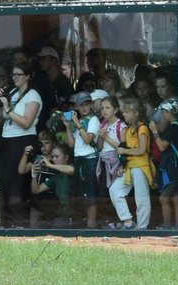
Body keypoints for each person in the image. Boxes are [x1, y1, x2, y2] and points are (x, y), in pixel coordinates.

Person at [0, 61, 42, 227]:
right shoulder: (12, 91)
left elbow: (27, 122)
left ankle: (20, 221)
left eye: (19, 75)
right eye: (13, 75)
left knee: (17, 181)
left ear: (27, 76)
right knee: (5, 179)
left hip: (23, 140)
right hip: (7, 139)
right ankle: (8, 219)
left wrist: (8, 109)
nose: (15, 78)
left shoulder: (33, 95)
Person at [107, 97, 155, 230]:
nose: (124, 114)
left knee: (141, 198)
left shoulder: (142, 128)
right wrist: (123, 166)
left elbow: (142, 149)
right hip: (129, 166)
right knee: (115, 190)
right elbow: (126, 151)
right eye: (124, 112)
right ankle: (128, 222)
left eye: (128, 112)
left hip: (140, 166)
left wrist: (123, 150)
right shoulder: (128, 129)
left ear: (136, 113)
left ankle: (142, 228)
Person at [64, 91, 101, 228]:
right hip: (79, 158)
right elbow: (71, 144)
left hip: (89, 159)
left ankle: (91, 225)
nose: (84, 108)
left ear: (91, 104)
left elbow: (88, 139)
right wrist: (68, 126)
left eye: (87, 104)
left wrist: (77, 123)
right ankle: (86, 222)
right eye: (81, 105)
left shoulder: (93, 120)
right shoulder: (79, 121)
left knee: (90, 193)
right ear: (76, 107)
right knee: (81, 193)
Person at [151, 98, 178, 230]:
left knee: (164, 198)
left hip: (172, 167)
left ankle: (167, 225)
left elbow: (162, 146)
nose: (162, 114)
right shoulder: (176, 126)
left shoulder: (174, 127)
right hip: (174, 166)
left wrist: (154, 131)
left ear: (169, 112)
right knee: (175, 197)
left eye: (163, 111)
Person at [30, 143, 76, 228]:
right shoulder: (57, 177)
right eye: (52, 157)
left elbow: (71, 170)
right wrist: (34, 176)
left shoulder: (73, 167)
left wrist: (50, 165)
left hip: (77, 215)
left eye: (57, 156)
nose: (54, 159)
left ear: (66, 157)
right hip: (63, 216)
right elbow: (36, 190)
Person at [96, 95, 126, 227]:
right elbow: (99, 146)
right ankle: (109, 220)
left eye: (107, 108)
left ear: (115, 109)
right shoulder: (103, 124)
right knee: (104, 193)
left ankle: (120, 219)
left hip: (116, 163)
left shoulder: (121, 125)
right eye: (102, 108)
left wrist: (107, 137)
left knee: (116, 192)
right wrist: (101, 137)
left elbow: (123, 147)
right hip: (104, 162)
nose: (104, 111)